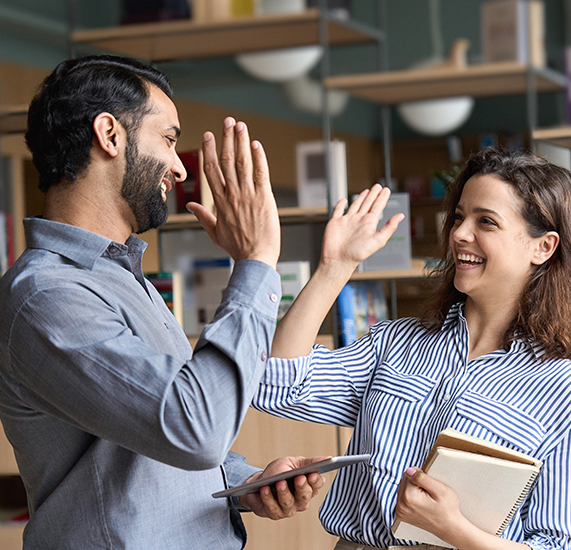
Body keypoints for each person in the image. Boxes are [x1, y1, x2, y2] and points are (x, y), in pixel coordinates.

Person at [0, 54, 337, 549]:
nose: (179, 168)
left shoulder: (122, 276)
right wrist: (256, 261)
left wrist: (246, 483)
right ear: (109, 135)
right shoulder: (47, 296)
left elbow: (150, 434)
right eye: (169, 139)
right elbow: (194, 428)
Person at [252, 148, 571, 550]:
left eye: (487, 222)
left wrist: (452, 529)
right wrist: (335, 267)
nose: (460, 234)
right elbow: (275, 385)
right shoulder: (394, 343)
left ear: (543, 247)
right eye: (460, 217)